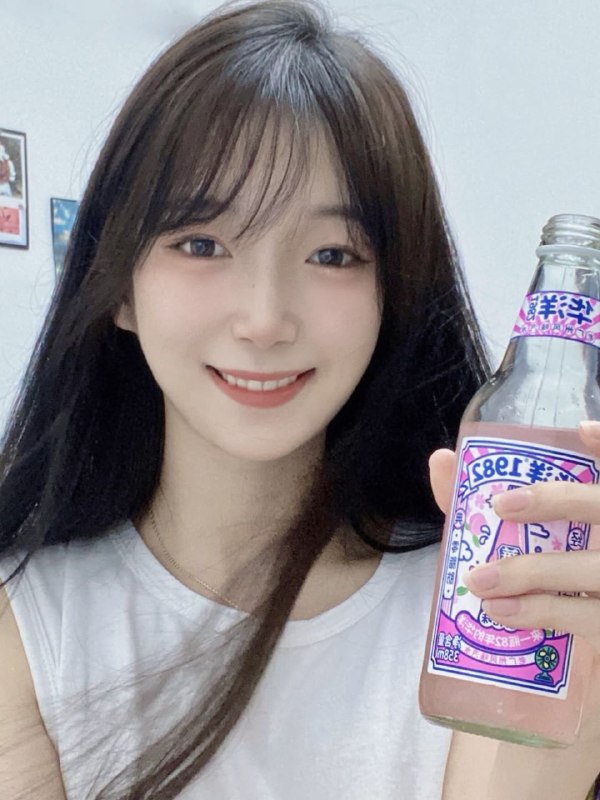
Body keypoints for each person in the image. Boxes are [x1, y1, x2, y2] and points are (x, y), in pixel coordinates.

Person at [0, 1, 599, 798]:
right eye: (202, 243)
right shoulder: (30, 619)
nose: (264, 319)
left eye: (332, 254)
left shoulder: (485, 605)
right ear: (118, 286)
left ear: (393, 294)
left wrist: (574, 699)